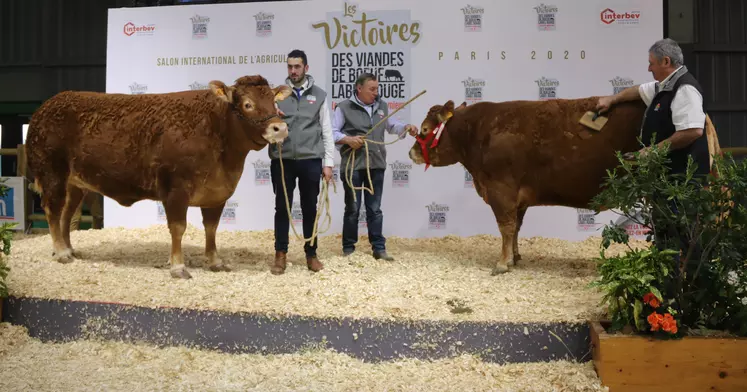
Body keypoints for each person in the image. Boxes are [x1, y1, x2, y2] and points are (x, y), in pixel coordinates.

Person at [595, 38, 708, 289]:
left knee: (685, 231)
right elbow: (639, 90)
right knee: (667, 230)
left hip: (682, 178)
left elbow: (692, 131)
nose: (649, 69)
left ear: (666, 62)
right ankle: (669, 283)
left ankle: (695, 286)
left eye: (652, 63)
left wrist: (652, 152)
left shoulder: (685, 89)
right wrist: (613, 99)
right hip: (668, 177)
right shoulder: (665, 85)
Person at [332, 73, 418, 260]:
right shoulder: (344, 107)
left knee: (375, 209)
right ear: (359, 88)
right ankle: (348, 248)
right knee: (353, 208)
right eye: (372, 89)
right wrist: (348, 139)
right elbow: (332, 133)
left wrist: (405, 127)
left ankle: (378, 248)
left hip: (376, 164)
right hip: (353, 165)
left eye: (377, 89)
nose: (375, 92)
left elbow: (391, 125)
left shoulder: (382, 106)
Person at [267, 49, 334, 275]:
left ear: (306, 68)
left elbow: (326, 131)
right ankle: (280, 254)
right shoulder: (275, 96)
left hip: (310, 160)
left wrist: (328, 163)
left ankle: (311, 253)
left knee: (309, 209)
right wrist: (271, 116)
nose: (293, 71)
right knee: (281, 208)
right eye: (289, 67)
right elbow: (265, 130)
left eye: (297, 66)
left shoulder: (320, 95)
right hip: (282, 160)